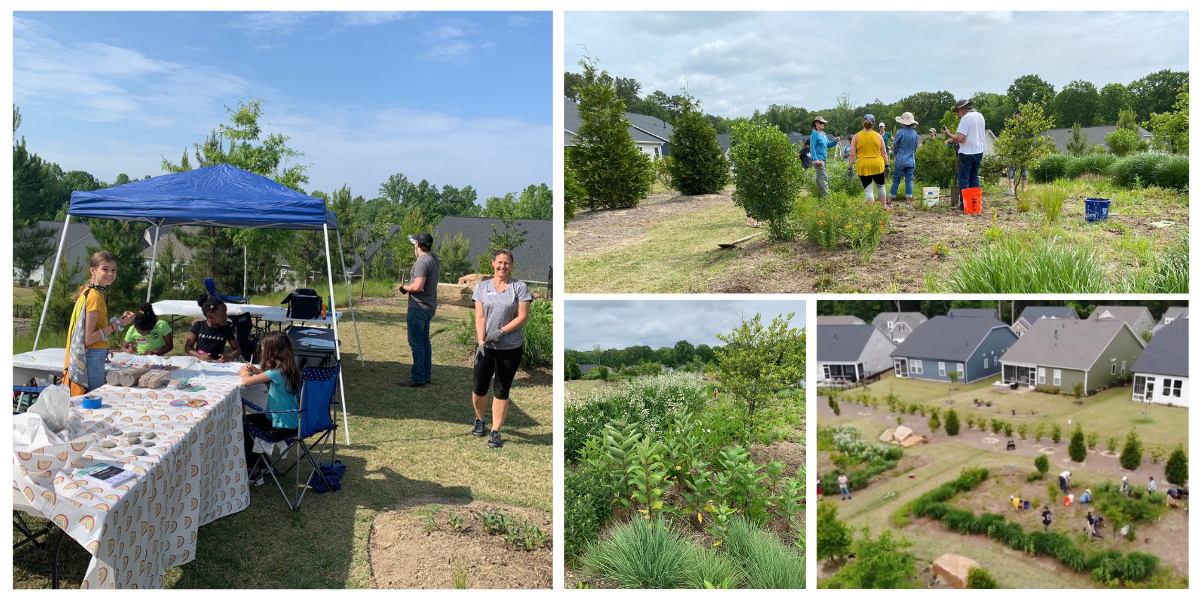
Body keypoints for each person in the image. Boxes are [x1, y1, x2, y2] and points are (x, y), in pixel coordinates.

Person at [471, 249, 533, 449]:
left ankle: (495, 431)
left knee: (501, 389)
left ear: (511, 265)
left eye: (506, 263)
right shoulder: (482, 287)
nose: (502, 266)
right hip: (486, 346)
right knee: (479, 388)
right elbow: (480, 317)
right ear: (493, 263)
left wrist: (502, 332)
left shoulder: (519, 288)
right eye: (499, 262)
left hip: (510, 347)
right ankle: (480, 420)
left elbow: (522, 317)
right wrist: (481, 342)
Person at [64, 251, 136, 394]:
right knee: (93, 397)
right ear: (93, 270)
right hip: (92, 355)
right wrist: (118, 324)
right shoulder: (95, 297)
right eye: (105, 269)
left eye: (113, 270)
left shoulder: (87, 291)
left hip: (95, 352)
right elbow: (89, 338)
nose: (110, 274)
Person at [238, 332, 302, 486]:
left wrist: (244, 372)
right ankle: (262, 462)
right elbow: (269, 375)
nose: (261, 351)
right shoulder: (288, 368)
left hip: (280, 425)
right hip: (291, 421)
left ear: (271, 352)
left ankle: (255, 469)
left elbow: (246, 382)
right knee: (250, 419)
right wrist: (257, 371)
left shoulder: (276, 372)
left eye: (263, 349)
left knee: (244, 425)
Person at [398, 233, 440, 388]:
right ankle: (426, 375)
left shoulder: (421, 262)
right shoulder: (434, 259)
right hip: (429, 307)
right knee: (424, 342)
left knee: (416, 343)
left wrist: (404, 288)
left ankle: (418, 377)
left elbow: (418, 286)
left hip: (418, 308)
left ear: (417, 244)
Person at [943, 98, 986, 210]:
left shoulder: (966, 118)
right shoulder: (980, 116)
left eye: (957, 111)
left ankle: (964, 205)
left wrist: (950, 135)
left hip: (967, 152)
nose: (957, 114)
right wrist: (953, 139)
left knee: (963, 178)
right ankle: (975, 203)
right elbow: (973, 134)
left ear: (962, 109)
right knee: (974, 177)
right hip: (979, 151)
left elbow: (961, 138)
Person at [847, 114, 890, 207]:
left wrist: (849, 168)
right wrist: (887, 166)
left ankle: (871, 210)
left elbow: (852, 154)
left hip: (863, 165)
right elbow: (884, 153)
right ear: (873, 124)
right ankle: (884, 206)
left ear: (863, 123)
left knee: (868, 189)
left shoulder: (856, 136)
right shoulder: (878, 136)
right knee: (881, 186)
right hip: (877, 164)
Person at [186, 294, 240, 362]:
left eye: (226, 313)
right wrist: (199, 355)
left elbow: (237, 349)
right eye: (222, 314)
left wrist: (230, 357)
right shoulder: (198, 326)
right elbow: (188, 347)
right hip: (200, 364)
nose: (226, 316)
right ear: (210, 316)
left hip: (218, 365)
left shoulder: (226, 329)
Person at [889, 112, 920, 208]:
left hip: (900, 160)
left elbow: (896, 145)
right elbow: (915, 148)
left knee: (896, 181)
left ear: (903, 122)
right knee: (909, 181)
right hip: (910, 160)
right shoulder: (914, 133)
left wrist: (896, 153)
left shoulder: (900, 133)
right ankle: (908, 203)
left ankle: (889, 202)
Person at [808, 116, 841, 199]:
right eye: (820, 122)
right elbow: (812, 147)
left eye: (823, 123)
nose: (822, 124)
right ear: (816, 123)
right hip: (819, 159)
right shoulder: (814, 133)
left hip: (824, 159)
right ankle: (826, 198)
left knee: (819, 179)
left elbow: (828, 145)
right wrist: (815, 160)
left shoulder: (824, 134)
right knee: (824, 177)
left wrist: (835, 141)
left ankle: (818, 197)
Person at [1006, 110, 1028, 195]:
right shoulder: (1027, 125)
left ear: (1019, 114)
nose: (1015, 117)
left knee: (1011, 168)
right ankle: (1023, 189)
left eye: (1016, 115)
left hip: (1015, 150)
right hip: (1025, 150)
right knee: (1024, 169)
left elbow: (1012, 138)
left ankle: (1011, 190)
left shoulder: (1014, 125)